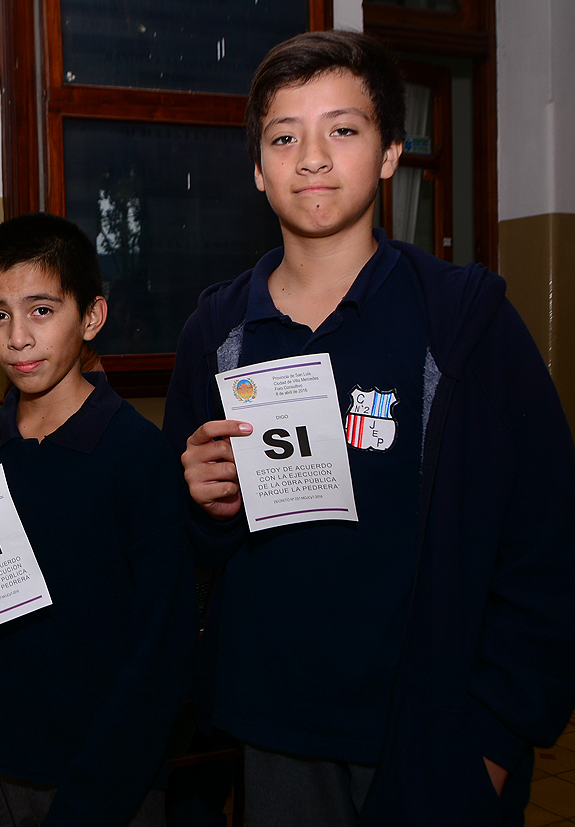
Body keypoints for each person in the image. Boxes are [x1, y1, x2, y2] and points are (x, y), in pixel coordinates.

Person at [162, 30, 575, 827]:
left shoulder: (464, 321)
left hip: (435, 727)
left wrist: (493, 737)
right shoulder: (217, 332)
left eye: (343, 130)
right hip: (277, 730)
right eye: (285, 137)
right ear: (257, 167)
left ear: (389, 153)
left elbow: (546, 540)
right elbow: (190, 551)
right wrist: (203, 504)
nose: (311, 157)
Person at [0, 211, 196, 826]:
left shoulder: (138, 456)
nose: (17, 337)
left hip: (109, 774)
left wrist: (100, 789)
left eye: (42, 310)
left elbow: (162, 648)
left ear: (91, 315)